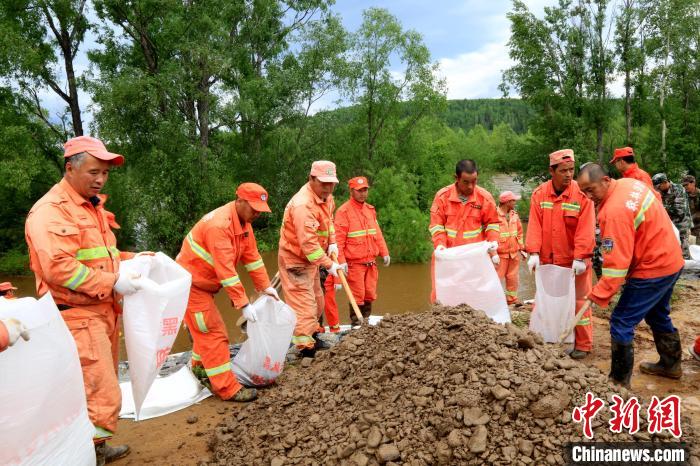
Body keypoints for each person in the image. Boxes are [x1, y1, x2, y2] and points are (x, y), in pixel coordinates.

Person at [25, 135, 152, 464]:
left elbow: (101, 257)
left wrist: (133, 259)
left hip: (101, 312)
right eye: (94, 171)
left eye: (106, 174)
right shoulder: (51, 212)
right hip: (76, 315)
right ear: (70, 168)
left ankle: (91, 449)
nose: (100, 179)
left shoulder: (92, 208)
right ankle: (85, 455)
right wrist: (115, 281)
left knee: (93, 389)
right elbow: (59, 269)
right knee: (105, 393)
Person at [578, 164, 685, 387]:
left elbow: (615, 268)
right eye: (583, 192)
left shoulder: (613, 212)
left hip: (653, 268)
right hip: (671, 259)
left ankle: (618, 383)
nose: (588, 197)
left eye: (591, 190)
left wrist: (598, 293)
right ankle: (671, 365)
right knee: (657, 315)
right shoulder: (629, 184)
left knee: (621, 321)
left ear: (606, 180)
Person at [176, 183, 277, 402]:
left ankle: (200, 369)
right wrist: (243, 304)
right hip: (191, 286)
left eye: (261, 209)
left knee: (204, 331)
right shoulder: (219, 226)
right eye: (254, 208)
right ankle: (228, 388)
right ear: (239, 201)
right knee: (213, 332)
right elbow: (227, 271)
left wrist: (266, 287)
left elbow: (253, 258)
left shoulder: (244, 224)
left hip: (204, 284)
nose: (258, 213)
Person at [526, 149, 595, 359]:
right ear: (551, 171)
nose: (568, 174)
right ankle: (549, 337)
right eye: (563, 170)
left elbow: (586, 228)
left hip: (575, 263)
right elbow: (535, 225)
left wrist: (581, 257)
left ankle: (582, 344)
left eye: (571, 169)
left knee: (579, 302)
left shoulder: (581, 194)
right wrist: (533, 252)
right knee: (547, 300)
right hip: (549, 262)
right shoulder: (540, 194)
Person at [278, 161, 346, 358]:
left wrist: (332, 241)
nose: (328, 188)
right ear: (311, 179)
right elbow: (308, 246)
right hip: (296, 261)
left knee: (318, 300)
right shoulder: (303, 205)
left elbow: (329, 222)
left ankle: (313, 335)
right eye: (324, 183)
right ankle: (305, 350)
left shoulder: (327, 198)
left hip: (311, 262)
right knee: (304, 306)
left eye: (331, 183)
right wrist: (330, 265)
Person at [429, 159, 500, 303]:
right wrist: (440, 245)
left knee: (473, 297)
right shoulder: (443, 197)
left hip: (473, 258)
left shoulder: (484, 198)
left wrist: (493, 242)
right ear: (456, 178)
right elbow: (436, 225)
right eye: (466, 182)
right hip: (447, 256)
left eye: (474, 181)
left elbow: (492, 223)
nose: (471, 186)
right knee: (442, 296)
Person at [334, 176, 390, 326]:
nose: (363, 193)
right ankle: (356, 325)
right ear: (351, 191)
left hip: (370, 263)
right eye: (359, 191)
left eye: (365, 190)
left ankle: (365, 323)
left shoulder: (370, 210)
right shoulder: (343, 212)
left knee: (369, 294)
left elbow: (376, 233)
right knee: (357, 296)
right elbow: (338, 241)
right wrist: (341, 262)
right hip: (354, 265)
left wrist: (384, 252)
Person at [495, 191, 525, 305]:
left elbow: (520, 233)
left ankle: (511, 300)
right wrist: (492, 253)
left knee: (513, 278)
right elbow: (489, 233)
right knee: (497, 279)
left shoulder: (514, 215)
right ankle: (494, 301)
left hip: (513, 253)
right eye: (513, 200)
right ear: (507, 202)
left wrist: (522, 248)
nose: (515, 202)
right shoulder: (493, 215)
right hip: (500, 254)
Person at [652, 173, 692, 258]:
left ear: (665, 182)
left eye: (659, 187)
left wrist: (661, 208)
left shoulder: (679, 189)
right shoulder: (660, 192)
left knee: (684, 253)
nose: (657, 189)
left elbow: (680, 210)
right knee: (672, 252)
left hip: (682, 225)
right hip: (669, 225)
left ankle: (687, 270)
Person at [682, 175, 699, 240]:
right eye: (683, 185)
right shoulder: (684, 195)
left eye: (687, 185)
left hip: (697, 228)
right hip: (687, 228)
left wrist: (692, 218)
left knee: (696, 247)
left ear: (693, 183)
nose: (685, 187)